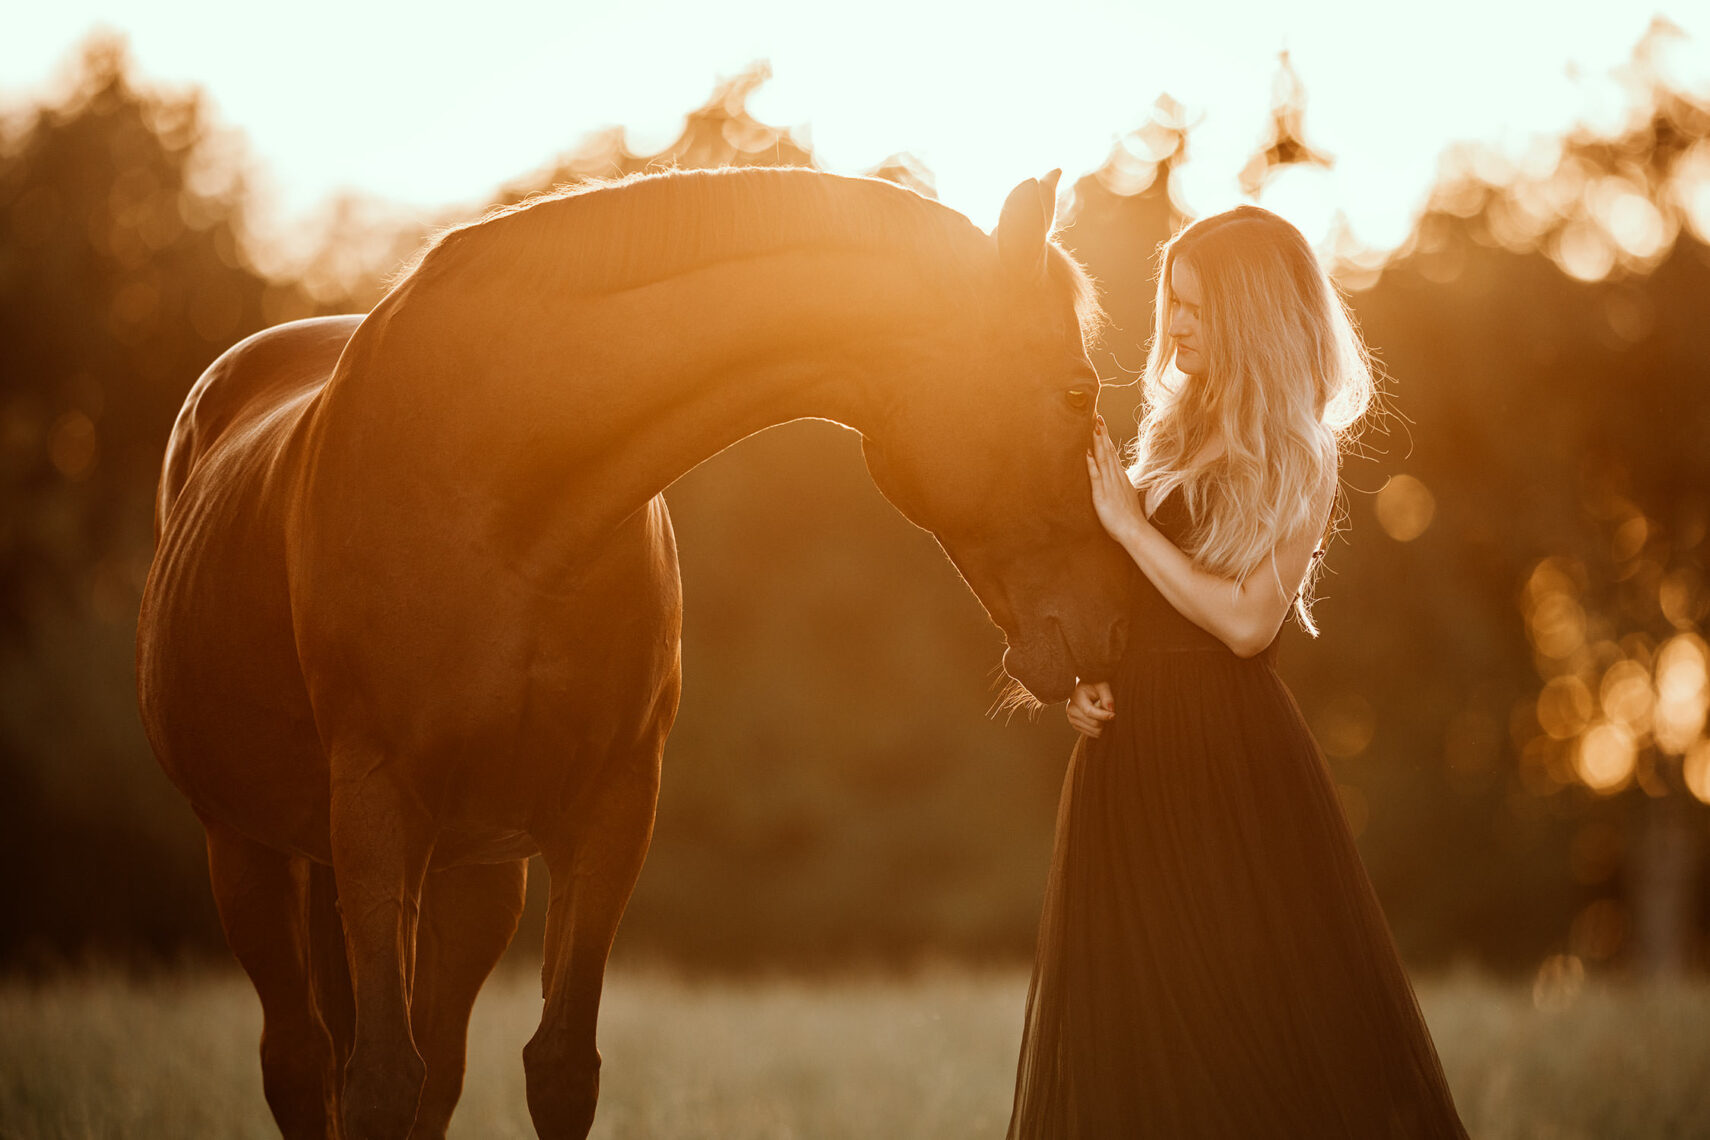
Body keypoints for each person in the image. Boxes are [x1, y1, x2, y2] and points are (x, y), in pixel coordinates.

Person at [1007, 205, 1469, 1138]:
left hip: (1226, 759)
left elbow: (1251, 623)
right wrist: (1095, 678)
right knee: (1134, 1019)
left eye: (1198, 309)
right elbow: (1129, 595)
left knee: (1239, 1023)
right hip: (1129, 757)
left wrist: (1130, 525)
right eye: (1173, 303)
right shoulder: (1168, 438)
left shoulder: (1303, 450)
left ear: (1252, 317)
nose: (1174, 326)